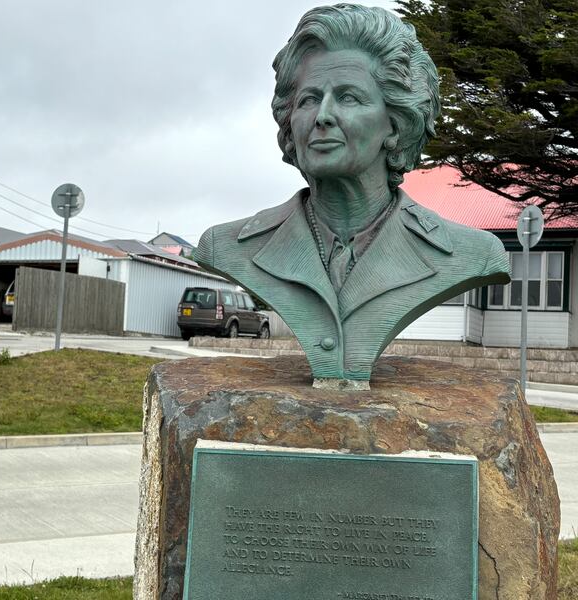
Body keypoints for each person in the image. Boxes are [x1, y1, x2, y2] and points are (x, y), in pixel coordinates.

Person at [195, 4, 510, 388]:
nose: (322, 115)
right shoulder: (225, 247)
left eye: (348, 97)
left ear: (396, 125)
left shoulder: (472, 254)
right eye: (309, 99)